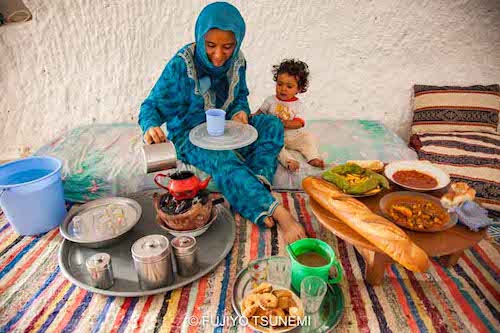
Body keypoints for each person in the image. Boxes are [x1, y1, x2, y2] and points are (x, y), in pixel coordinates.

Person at [138, 2, 306, 243]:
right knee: (223, 159)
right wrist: (151, 127)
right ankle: (279, 214)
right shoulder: (181, 66)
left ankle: (254, 185)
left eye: (227, 46)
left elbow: (240, 97)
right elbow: (150, 106)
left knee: (271, 124)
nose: (218, 55)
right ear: (200, 38)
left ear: (237, 41)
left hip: (229, 129)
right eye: (210, 45)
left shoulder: (238, 61)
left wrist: (240, 112)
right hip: (190, 135)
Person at [254, 59, 325, 172]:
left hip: (293, 136)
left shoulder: (298, 105)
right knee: (273, 147)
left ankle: (313, 157)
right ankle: (289, 161)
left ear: (299, 89)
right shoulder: (270, 100)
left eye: (289, 86)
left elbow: (299, 123)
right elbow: (259, 114)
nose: (283, 89)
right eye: (280, 84)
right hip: (276, 136)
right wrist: (251, 118)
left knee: (307, 138)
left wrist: (284, 123)